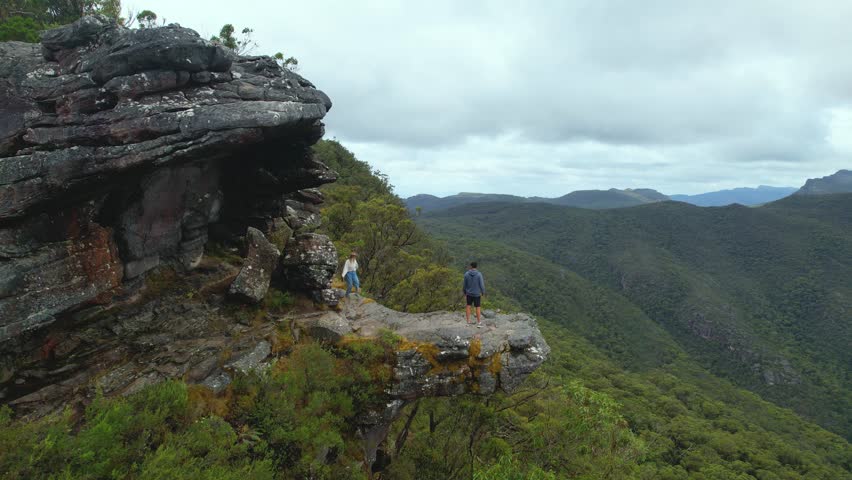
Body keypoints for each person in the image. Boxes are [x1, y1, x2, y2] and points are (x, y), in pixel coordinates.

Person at [463, 261, 485, 327]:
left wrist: (464, 292)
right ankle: (479, 322)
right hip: (477, 294)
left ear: (471, 266)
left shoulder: (466, 274)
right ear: (476, 267)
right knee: (477, 307)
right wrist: (483, 292)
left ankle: (468, 322)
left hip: (469, 293)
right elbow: (482, 285)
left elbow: (464, 285)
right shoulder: (479, 274)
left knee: (468, 306)